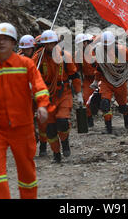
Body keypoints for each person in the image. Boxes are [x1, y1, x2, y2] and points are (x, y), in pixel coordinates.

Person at [0, 23, 50, 199]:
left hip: (23, 129)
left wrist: (42, 105)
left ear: (13, 43)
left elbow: (39, 86)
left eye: (6, 39)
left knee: (27, 175)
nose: (1, 43)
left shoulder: (26, 64)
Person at [32, 30, 82, 163]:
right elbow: (31, 74)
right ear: (43, 45)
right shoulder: (38, 58)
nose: (50, 46)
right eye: (47, 44)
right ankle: (56, 154)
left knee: (62, 121)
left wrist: (79, 93)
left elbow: (74, 76)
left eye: (52, 43)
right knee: (50, 129)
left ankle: (65, 142)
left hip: (63, 92)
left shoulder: (64, 56)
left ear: (56, 43)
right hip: (46, 95)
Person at [90, 31, 128, 134]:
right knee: (105, 103)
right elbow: (99, 68)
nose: (106, 47)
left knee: (122, 105)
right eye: (104, 45)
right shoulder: (99, 50)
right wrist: (96, 80)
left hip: (120, 81)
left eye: (108, 45)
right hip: (106, 80)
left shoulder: (121, 51)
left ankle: (126, 119)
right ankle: (108, 127)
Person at [75, 33, 96, 128]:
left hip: (99, 78)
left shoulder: (94, 51)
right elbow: (75, 69)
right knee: (86, 98)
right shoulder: (78, 54)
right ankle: (89, 120)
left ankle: (108, 122)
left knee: (104, 99)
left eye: (81, 43)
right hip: (87, 79)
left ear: (86, 42)